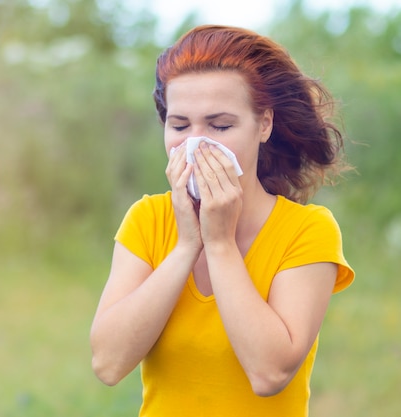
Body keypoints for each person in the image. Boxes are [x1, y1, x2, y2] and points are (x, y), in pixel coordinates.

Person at [90, 25, 354, 417]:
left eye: (220, 126)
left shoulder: (307, 230)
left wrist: (220, 244)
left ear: (263, 125)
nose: (195, 143)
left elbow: (269, 373)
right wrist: (186, 246)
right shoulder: (148, 219)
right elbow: (108, 364)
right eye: (180, 125)